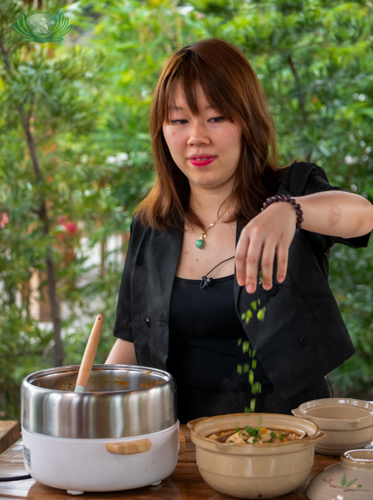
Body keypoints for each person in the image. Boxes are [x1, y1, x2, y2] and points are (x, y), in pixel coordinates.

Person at [106, 38, 373, 423]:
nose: (197, 136)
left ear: (247, 120)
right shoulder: (152, 223)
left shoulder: (290, 191)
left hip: (292, 433)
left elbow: (361, 215)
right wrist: (91, 400)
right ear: (161, 131)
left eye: (215, 117)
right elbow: (132, 340)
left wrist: (290, 211)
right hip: (180, 440)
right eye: (179, 120)